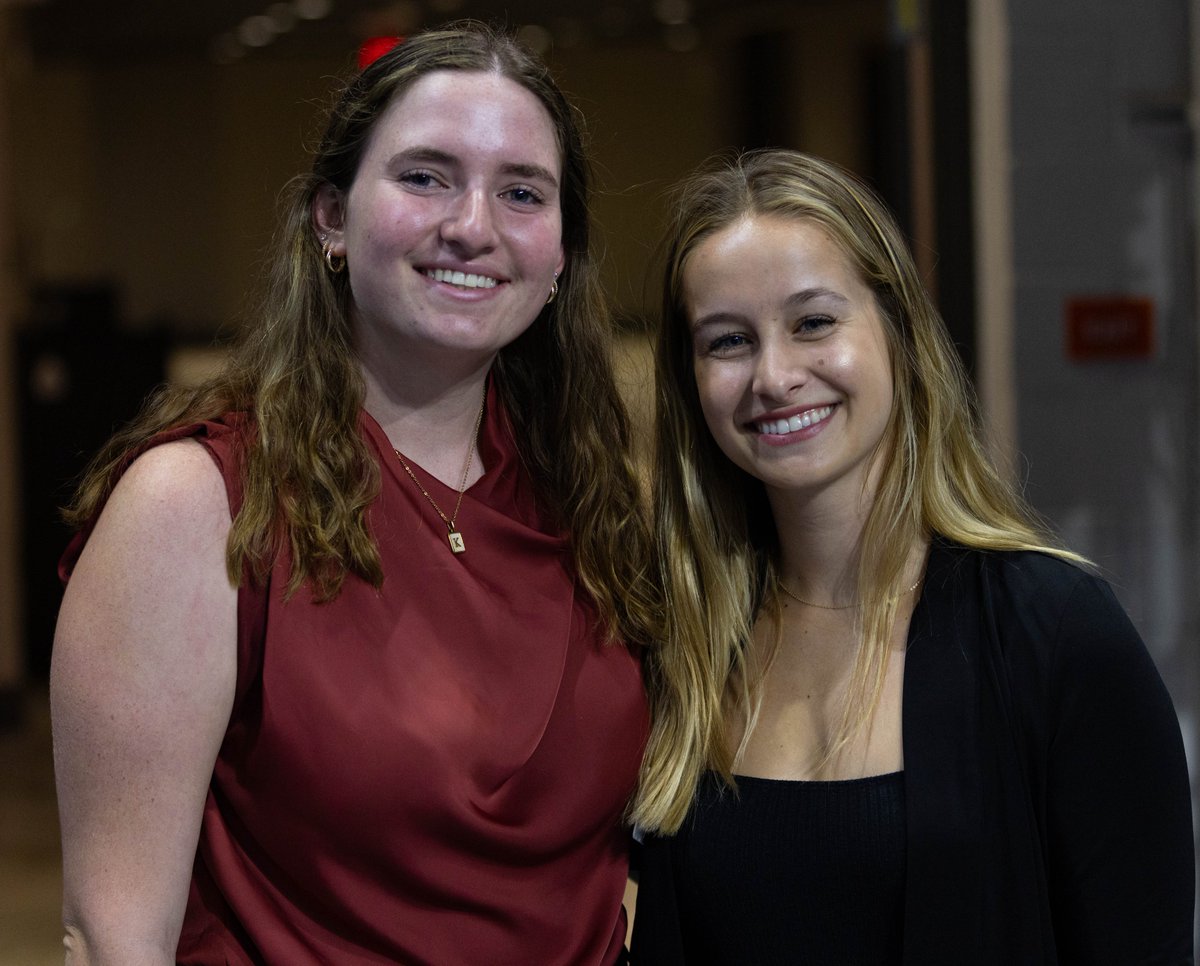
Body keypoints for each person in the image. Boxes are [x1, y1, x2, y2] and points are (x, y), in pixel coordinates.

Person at [51, 21, 659, 965]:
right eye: (425, 176)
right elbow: (115, 935)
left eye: (522, 193)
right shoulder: (200, 500)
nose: (473, 225)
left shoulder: (592, 503)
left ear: (562, 256)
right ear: (331, 218)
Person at [628, 149, 1194, 964]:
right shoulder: (680, 641)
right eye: (728, 341)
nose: (774, 375)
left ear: (896, 331)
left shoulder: (1056, 634)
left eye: (814, 322)